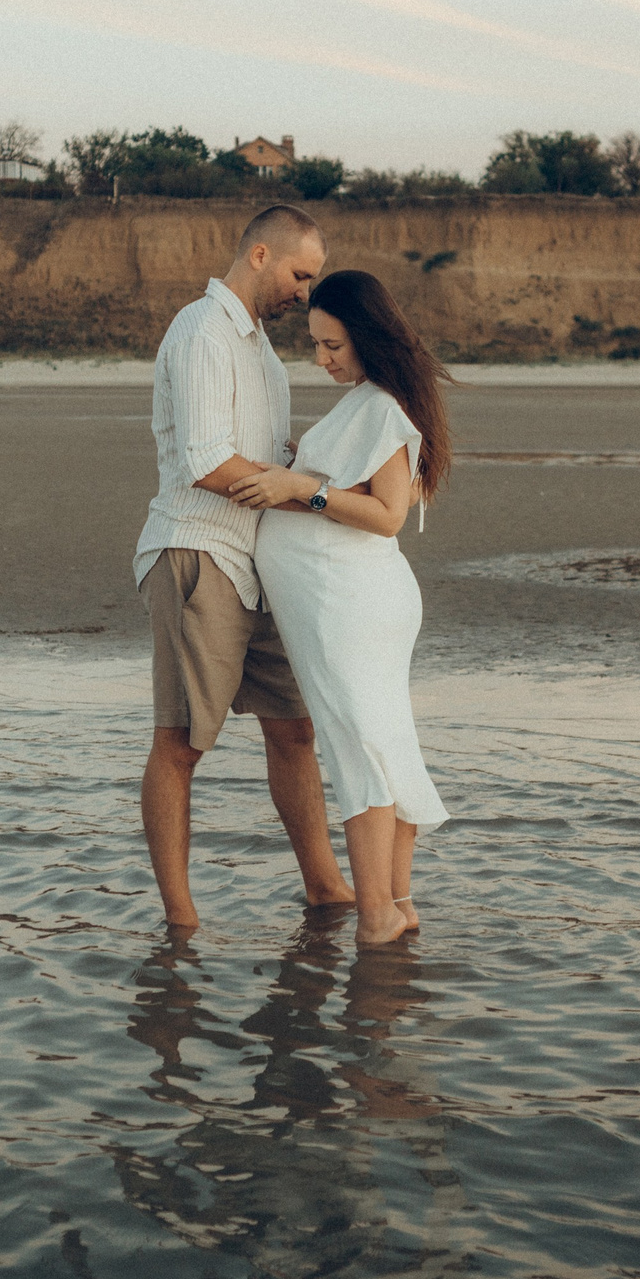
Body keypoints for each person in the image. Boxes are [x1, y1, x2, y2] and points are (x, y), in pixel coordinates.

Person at [135, 204, 353, 932]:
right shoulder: (201, 331)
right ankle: (182, 919)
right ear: (260, 256)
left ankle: (327, 888)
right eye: (301, 274)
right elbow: (205, 462)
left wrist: (305, 479)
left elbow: (267, 458)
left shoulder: (260, 350)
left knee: (294, 728)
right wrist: (297, 489)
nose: (307, 291)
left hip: (261, 564)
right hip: (200, 554)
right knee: (182, 741)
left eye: (314, 279)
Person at [229, 269, 455, 946]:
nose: (321, 358)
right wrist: (308, 473)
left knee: (360, 746)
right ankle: (398, 902)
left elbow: (387, 514)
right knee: (383, 742)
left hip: (346, 603)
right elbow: (344, 483)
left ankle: (377, 916)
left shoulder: (384, 406)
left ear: (368, 337)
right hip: (346, 597)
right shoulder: (366, 400)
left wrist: (304, 486)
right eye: (316, 345)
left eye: (333, 345)